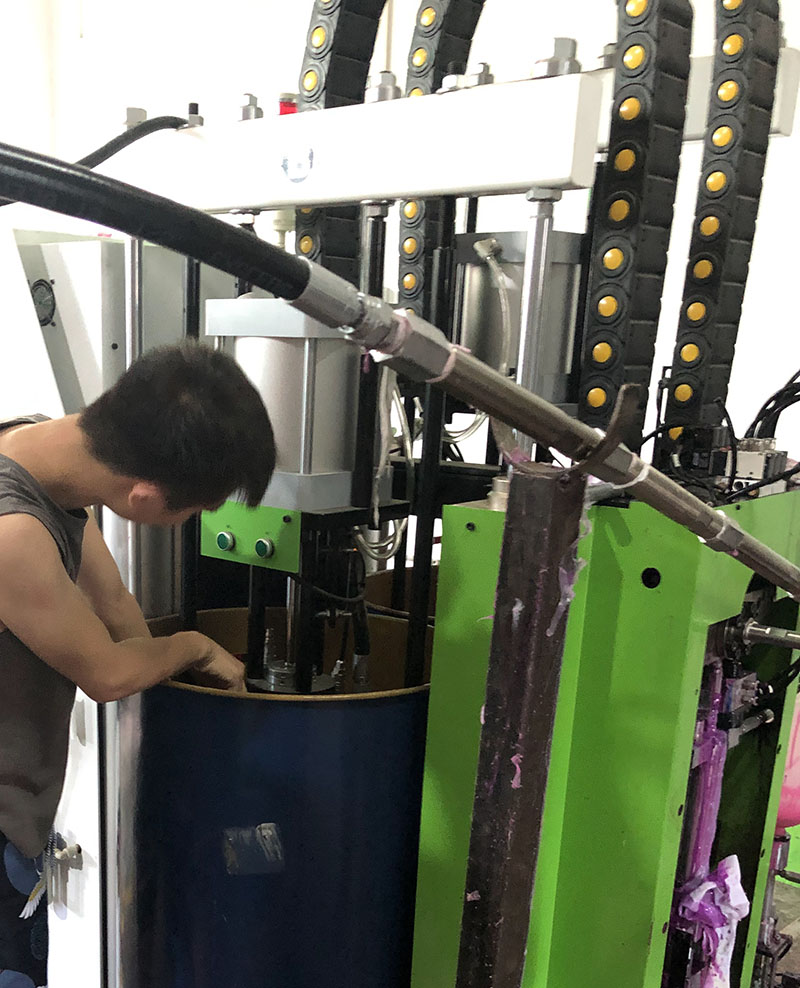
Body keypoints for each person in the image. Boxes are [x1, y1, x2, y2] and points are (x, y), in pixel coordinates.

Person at [0, 341, 276, 988]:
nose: (198, 519)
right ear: (146, 498)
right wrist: (195, 646)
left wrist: (196, 718)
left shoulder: (45, 448)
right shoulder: (12, 532)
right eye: (197, 510)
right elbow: (106, 674)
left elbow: (116, 605)